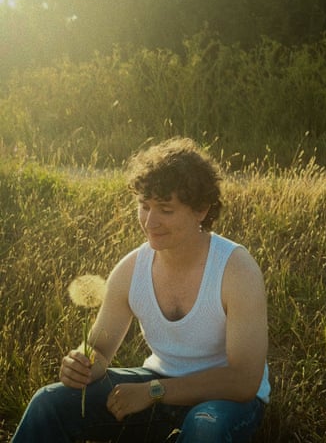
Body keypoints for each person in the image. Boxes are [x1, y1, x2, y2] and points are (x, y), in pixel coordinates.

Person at [12, 137, 270, 442]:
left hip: (223, 400)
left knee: (204, 428)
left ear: (201, 210)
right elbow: (99, 349)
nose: (150, 221)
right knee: (48, 402)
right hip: (156, 384)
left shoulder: (236, 270)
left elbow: (243, 381)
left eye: (165, 210)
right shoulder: (131, 269)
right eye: (144, 206)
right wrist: (81, 364)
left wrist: (152, 392)